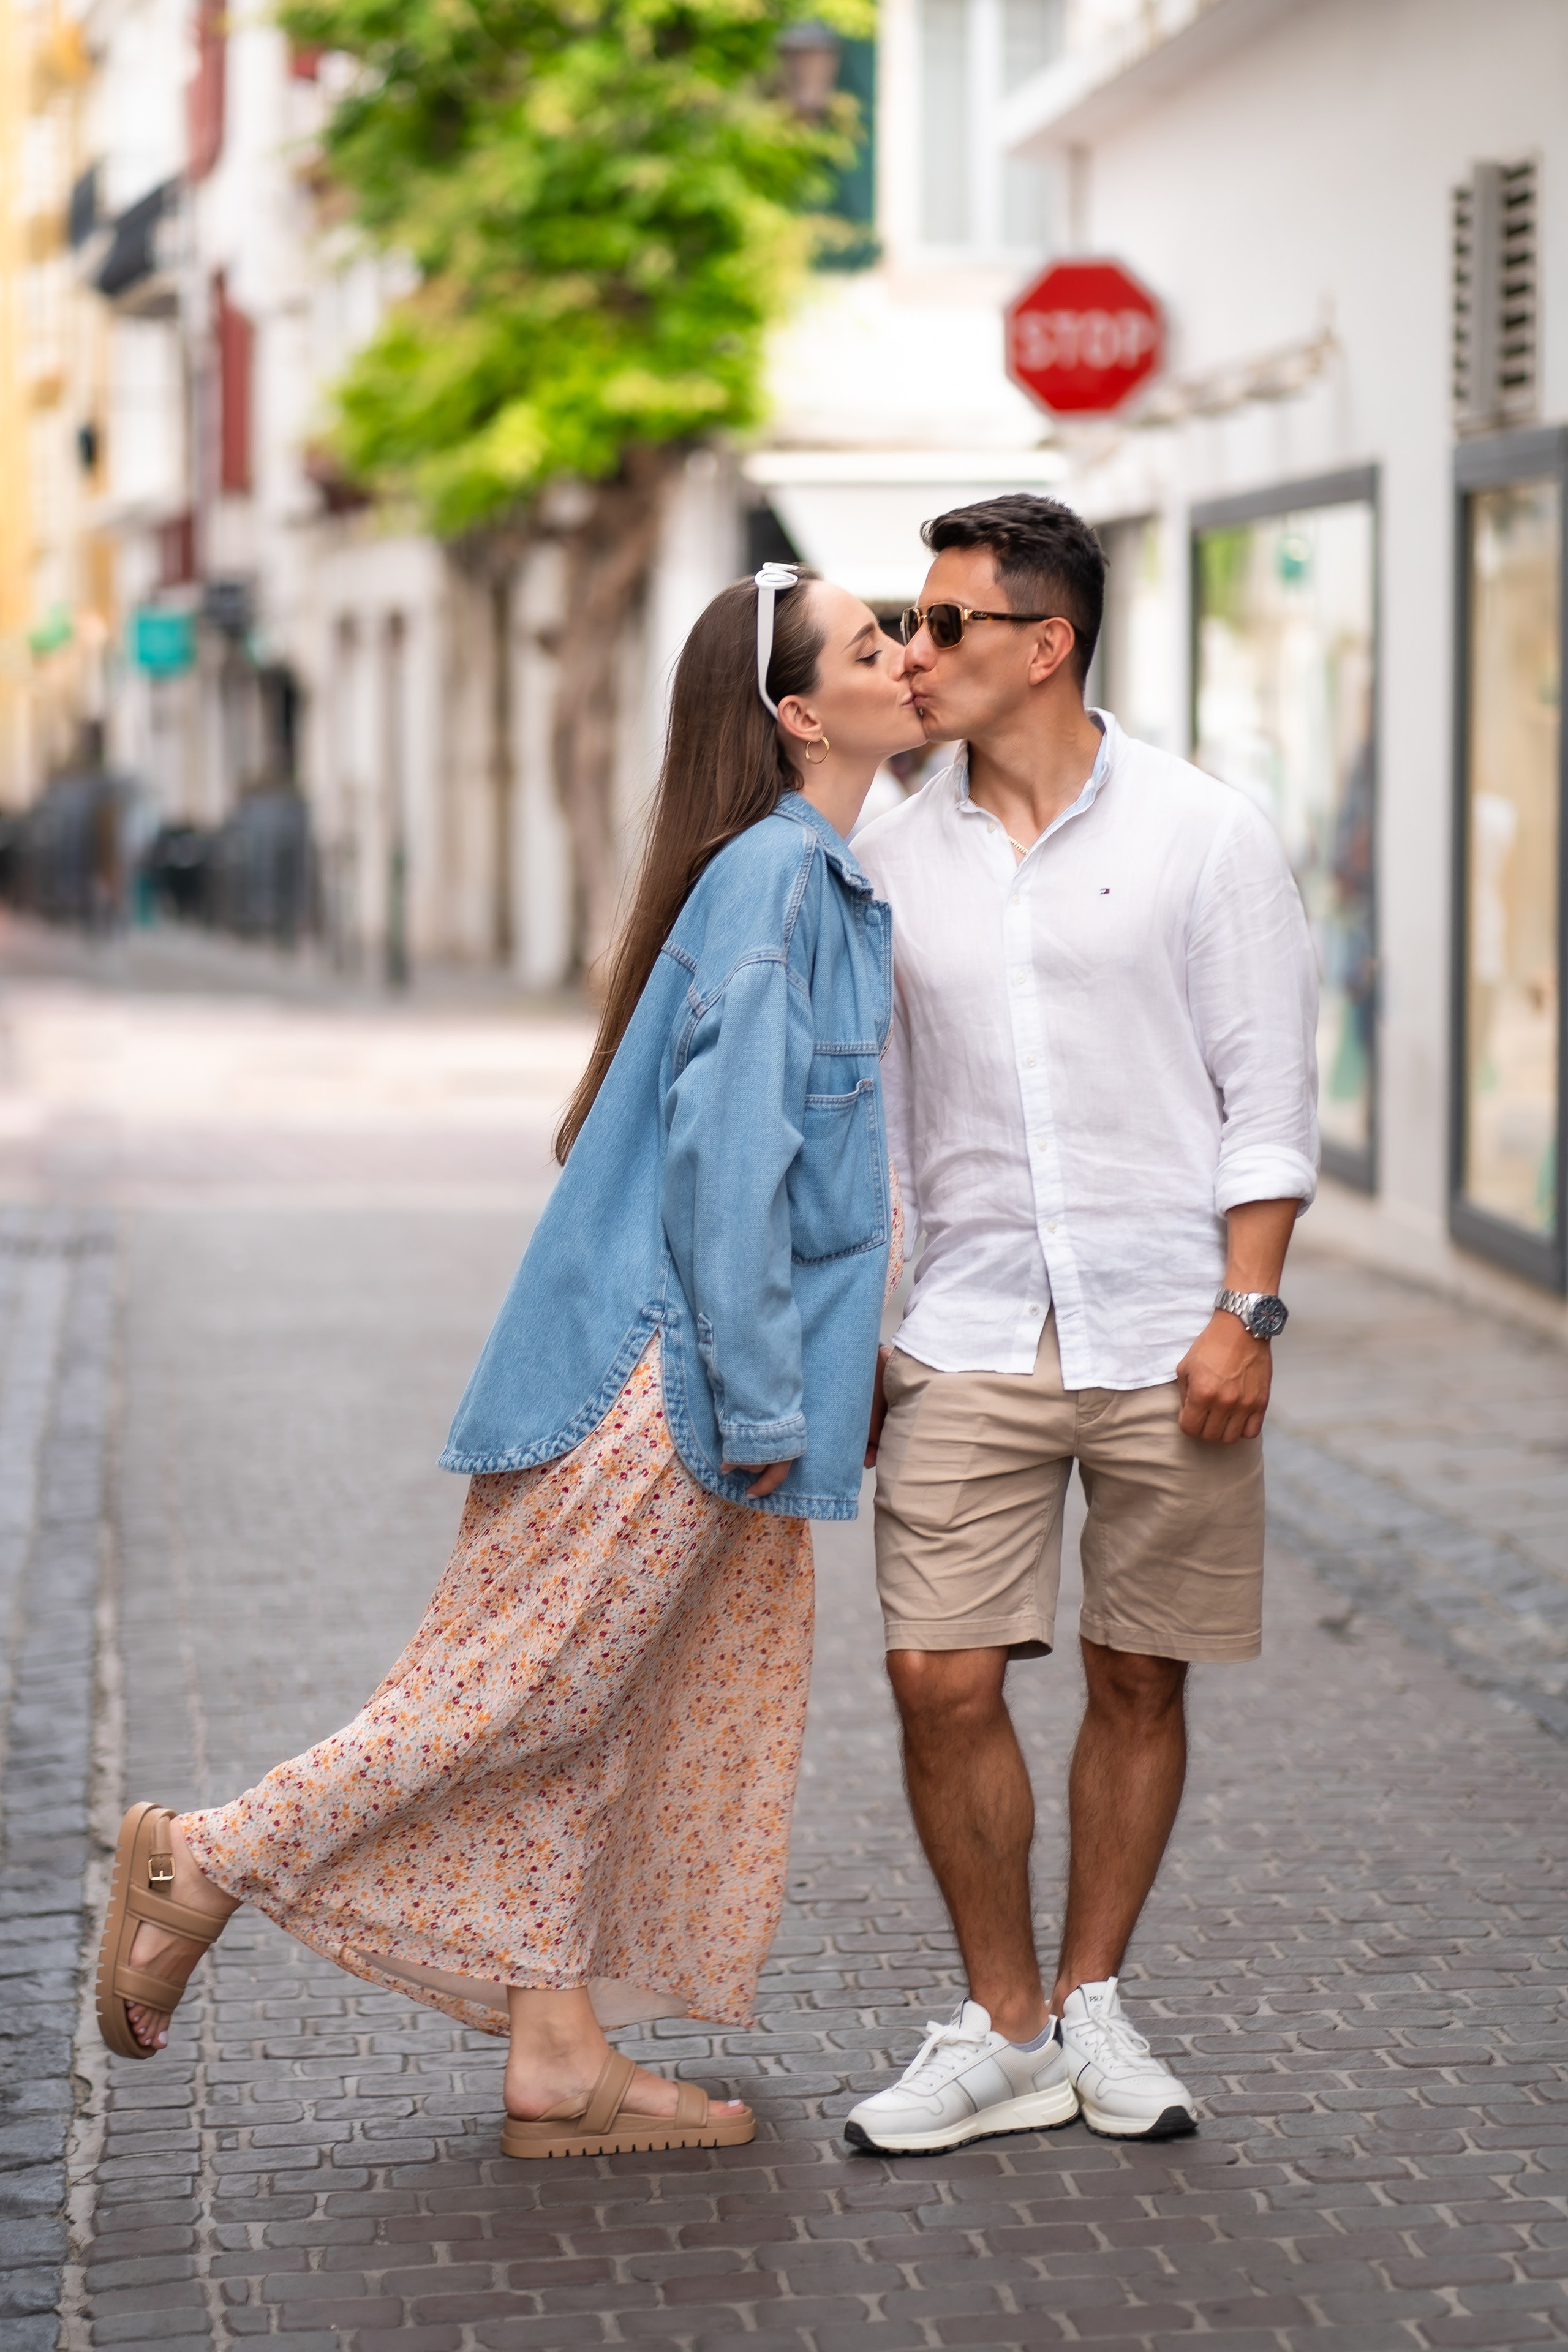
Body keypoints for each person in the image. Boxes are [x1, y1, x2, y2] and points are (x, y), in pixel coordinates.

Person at [95, 563, 925, 2160]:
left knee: (592, 1714)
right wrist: (770, 1394)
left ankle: (557, 2059)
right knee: (513, 1696)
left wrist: (839, 1368)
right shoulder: (778, 880)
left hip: (692, 1379)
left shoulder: (809, 877)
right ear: (799, 714)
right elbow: (731, 1163)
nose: (906, 653)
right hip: (665, 1390)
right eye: (873, 641)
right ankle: (208, 1856)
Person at [846, 494, 1319, 2153]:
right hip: (969, 1325)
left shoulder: (1205, 834)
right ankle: (1005, 2026)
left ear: (1046, 643)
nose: (913, 653)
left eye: (944, 623)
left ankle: (1094, 2001)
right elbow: (883, 1129)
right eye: (907, 623)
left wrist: (1247, 1311)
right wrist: (863, 1339)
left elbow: (1268, 1096)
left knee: (1137, 1674)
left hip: (1169, 1327)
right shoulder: (890, 858)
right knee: (936, 1673)